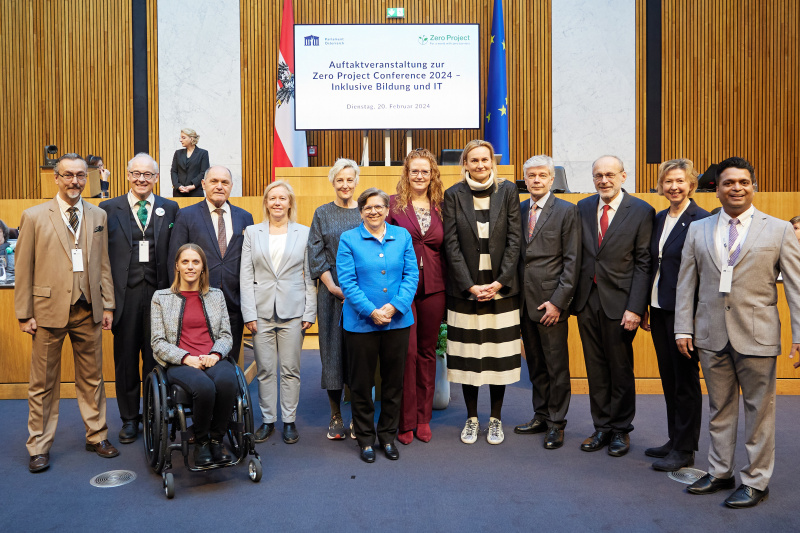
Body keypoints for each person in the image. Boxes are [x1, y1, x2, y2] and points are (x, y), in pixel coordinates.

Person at [676, 156, 800, 508]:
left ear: (753, 187)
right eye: (729, 182)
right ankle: (719, 472)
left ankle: (756, 481)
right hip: (710, 333)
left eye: (743, 182)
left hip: (757, 335)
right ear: (717, 189)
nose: (737, 188)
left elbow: (796, 286)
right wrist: (682, 327)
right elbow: (686, 283)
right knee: (719, 407)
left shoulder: (777, 230)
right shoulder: (699, 229)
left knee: (759, 410)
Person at [15, 153, 118, 473]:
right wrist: (23, 313)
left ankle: (97, 435)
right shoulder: (33, 216)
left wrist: (108, 304)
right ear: (56, 178)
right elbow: (23, 268)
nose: (75, 181)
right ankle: (39, 446)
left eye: (80, 176)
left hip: (88, 310)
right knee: (43, 383)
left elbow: (103, 264)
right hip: (46, 312)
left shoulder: (97, 215)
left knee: (92, 379)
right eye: (68, 175)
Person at [572, 155, 654, 457]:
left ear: (623, 176)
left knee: (619, 368)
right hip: (587, 300)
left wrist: (636, 307)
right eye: (597, 175)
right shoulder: (582, 207)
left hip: (621, 303)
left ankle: (621, 430)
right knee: (595, 368)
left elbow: (644, 262)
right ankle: (601, 427)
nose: (603, 180)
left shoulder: (642, 211)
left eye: (609, 174)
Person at [442, 139, 522, 446]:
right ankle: (472, 418)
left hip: (501, 292)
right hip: (467, 294)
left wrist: (500, 282)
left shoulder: (508, 191)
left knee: (497, 358)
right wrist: (469, 285)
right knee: (468, 358)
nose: (480, 165)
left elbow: (516, 240)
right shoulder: (453, 195)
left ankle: (496, 418)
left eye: (484, 160)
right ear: (465, 164)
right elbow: (451, 245)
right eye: (473, 160)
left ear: (493, 162)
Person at [99, 153, 179, 444]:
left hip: (160, 295)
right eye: (136, 173)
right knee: (126, 360)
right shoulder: (109, 208)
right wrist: (106, 302)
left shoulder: (170, 208)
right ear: (128, 175)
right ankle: (130, 419)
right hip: (125, 296)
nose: (142, 179)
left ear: (156, 178)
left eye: (148, 174)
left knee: (157, 359)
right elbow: (102, 260)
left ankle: (155, 413)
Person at [337, 188, 418, 463]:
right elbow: (347, 282)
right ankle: (365, 440)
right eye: (368, 207)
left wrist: (395, 306)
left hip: (397, 322)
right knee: (361, 384)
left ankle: (387, 436)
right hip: (361, 323)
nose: (374, 211)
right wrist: (371, 311)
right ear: (361, 211)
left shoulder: (403, 236)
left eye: (379, 207)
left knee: (393, 383)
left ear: (387, 210)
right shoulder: (348, 239)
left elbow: (411, 275)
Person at [639, 159, 710, 471]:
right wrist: (645, 305)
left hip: (685, 314)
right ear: (661, 185)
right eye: (668, 181)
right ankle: (674, 439)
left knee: (685, 381)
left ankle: (685, 449)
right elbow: (654, 264)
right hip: (658, 308)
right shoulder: (658, 218)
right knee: (669, 378)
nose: (674, 187)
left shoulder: (702, 220)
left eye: (680, 181)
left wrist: (691, 321)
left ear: (691, 185)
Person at [241, 181, 316, 444]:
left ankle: (289, 421)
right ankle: (268, 420)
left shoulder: (303, 233)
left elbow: (309, 276)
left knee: (290, 369)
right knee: (265, 369)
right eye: (272, 198)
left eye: (282, 198)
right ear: (266, 202)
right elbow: (246, 275)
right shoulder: (251, 232)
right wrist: (248, 313)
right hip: (260, 312)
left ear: (290, 203)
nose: (277, 203)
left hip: (293, 311)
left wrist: (309, 311)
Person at [514, 155, 580, 450]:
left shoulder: (567, 211)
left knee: (556, 366)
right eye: (531, 176)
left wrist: (558, 302)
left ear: (552, 179)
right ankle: (540, 414)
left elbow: (572, 261)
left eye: (542, 175)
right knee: (536, 365)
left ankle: (557, 422)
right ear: (525, 179)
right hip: (524, 302)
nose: (536, 180)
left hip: (550, 304)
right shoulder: (519, 209)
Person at [151, 243, 236, 466]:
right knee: (204, 388)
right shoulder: (161, 297)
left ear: (203, 268)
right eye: (185, 262)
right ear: (177, 266)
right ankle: (201, 442)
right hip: (180, 362)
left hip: (212, 357)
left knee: (228, 382)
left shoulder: (216, 296)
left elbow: (226, 335)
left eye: (195, 262)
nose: (190, 266)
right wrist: (186, 358)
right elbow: (158, 342)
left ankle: (217, 440)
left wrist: (216, 355)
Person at [386, 148, 447, 445]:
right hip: (402, 290)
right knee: (406, 354)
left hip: (435, 287)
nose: (420, 176)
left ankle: (424, 418)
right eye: (414, 171)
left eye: (425, 171)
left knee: (426, 352)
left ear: (433, 174)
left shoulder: (443, 206)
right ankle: (405, 419)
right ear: (406, 174)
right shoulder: (392, 206)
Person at [169, 166, 254, 363]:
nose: (219, 186)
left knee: (229, 362)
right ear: (203, 184)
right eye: (214, 181)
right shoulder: (187, 215)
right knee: (199, 361)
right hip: (196, 302)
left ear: (231, 186)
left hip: (233, 303)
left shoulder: (245, 217)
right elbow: (175, 258)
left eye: (224, 182)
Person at [307, 159, 362, 440]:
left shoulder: (366, 212)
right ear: (333, 182)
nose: (345, 185)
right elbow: (315, 254)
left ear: (356, 182)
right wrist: (332, 287)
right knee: (332, 352)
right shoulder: (322, 213)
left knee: (357, 355)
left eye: (350, 180)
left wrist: (355, 292)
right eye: (340, 180)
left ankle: (357, 416)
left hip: (361, 298)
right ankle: (335, 415)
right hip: (331, 295)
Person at [170, 128, 209, 197]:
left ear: (191, 139)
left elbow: (204, 172)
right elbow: (173, 171)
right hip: (179, 192)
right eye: (180, 138)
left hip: (196, 191)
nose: (180, 140)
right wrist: (178, 186)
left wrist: (193, 186)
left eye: (183, 138)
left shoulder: (203, 153)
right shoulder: (178, 153)